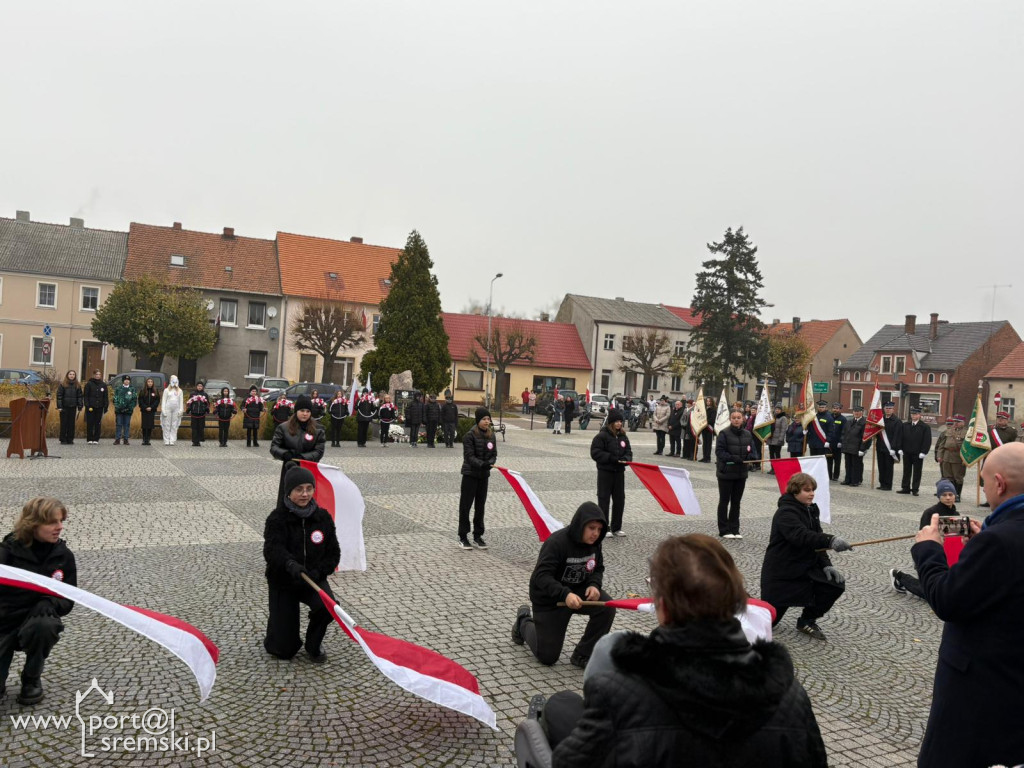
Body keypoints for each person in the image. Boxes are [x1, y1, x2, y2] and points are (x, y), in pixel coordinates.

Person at [523, 534, 827, 768]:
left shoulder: (624, 689)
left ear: (664, 607)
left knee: (561, 705)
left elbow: (572, 763)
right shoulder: (790, 694)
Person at [910, 442, 1024, 768]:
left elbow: (948, 600)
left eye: (985, 481)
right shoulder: (1001, 534)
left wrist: (928, 550)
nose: (983, 488)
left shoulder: (1000, 541)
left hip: (983, 689)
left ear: (999, 484)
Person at [511, 502, 615, 669]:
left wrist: (594, 585)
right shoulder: (557, 542)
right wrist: (564, 594)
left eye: (599, 529)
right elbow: (541, 576)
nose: (596, 533)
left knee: (607, 607)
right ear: (581, 525)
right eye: (591, 528)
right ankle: (523, 622)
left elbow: (597, 567)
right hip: (551, 599)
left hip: (577, 592)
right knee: (547, 656)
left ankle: (583, 654)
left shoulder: (596, 543)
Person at [0, 497, 77, 705]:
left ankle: (31, 678)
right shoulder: (6, 553)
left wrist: (50, 603)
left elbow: (69, 597)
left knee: (46, 624)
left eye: (61, 521)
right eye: (52, 522)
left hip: (36, 621)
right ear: (33, 523)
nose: (59, 527)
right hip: (4, 621)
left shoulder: (63, 556)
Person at [760, 473, 852, 640]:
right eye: (807, 490)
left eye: (813, 490)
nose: (811, 493)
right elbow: (800, 535)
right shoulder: (785, 513)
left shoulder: (810, 509)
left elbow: (817, 540)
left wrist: (826, 564)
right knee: (767, 621)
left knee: (834, 585)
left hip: (806, 566)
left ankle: (807, 620)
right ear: (795, 491)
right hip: (783, 572)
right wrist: (831, 540)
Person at [262, 465, 340, 662]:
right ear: (289, 492)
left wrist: (317, 572)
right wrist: (290, 565)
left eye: (309, 488)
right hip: (284, 580)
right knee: (283, 651)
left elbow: (333, 553)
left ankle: (313, 643)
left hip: (312, 578)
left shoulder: (323, 518)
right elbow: (272, 551)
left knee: (328, 607)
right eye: (299, 489)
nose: (305, 494)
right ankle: (279, 624)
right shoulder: (277, 518)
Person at [890, 479, 960, 599]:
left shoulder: (957, 515)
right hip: (931, 555)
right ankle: (900, 576)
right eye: (944, 495)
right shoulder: (930, 513)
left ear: (955, 495)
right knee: (932, 593)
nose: (948, 498)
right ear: (938, 496)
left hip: (950, 556)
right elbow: (924, 538)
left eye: (950, 494)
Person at [270, 395, 326, 504]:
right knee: (287, 499)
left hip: (308, 469)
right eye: (302, 410)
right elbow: (274, 447)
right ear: (296, 411)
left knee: (306, 500)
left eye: (308, 411)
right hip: (290, 468)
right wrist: (284, 454)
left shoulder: (318, 429)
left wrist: (303, 458)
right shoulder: (283, 427)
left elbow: (319, 451)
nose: (305, 414)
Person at [458, 407, 497, 550]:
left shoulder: (491, 436)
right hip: (470, 475)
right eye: (484, 419)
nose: (487, 422)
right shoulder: (469, 436)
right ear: (478, 420)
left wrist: (490, 463)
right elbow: (469, 456)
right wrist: (482, 464)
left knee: (480, 507)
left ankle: (477, 535)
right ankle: (463, 536)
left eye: (488, 419)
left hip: (483, 476)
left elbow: (494, 453)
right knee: (465, 507)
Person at [590, 409, 633, 537]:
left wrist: (626, 459)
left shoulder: (623, 436)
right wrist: (610, 458)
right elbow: (595, 452)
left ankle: (616, 527)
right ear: (611, 423)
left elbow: (629, 452)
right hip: (605, 472)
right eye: (617, 421)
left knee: (619, 500)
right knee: (604, 500)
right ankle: (604, 528)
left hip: (619, 472)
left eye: (621, 421)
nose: (619, 424)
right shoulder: (602, 436)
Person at [715, 410, 753, 539]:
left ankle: (734, 528)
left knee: (736, 502)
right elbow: (719, 452)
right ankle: (724, 529)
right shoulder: (724, 433)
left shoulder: (748, 434)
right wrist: (733, 458)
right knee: (724, 501)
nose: (736, 420)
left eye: (739, 417)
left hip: (741, 473)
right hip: (726, 472)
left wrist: (751, 457)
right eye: (734, 418)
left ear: (743, 419)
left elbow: (752, 451)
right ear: (730, 419)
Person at [898, 406, 932, 496]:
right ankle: (905, 487)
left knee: (917, 472)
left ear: (919, 415)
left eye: (916, 414)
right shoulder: (905, 425)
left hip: (918, 453)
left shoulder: (924, 427)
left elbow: (927, 440)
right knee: (906, 470)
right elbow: (901, 437)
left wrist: (924, 452)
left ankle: (915, 489)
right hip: (907, 452)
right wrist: (900, 448)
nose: (913, 416)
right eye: (912, 414)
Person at [935, 415, 966, 501]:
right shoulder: (948, 431)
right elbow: (941, 445)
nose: (955, 423)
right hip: (947, 456)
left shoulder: (966, 433)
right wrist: (939, 456)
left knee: (958, 477)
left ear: (963, 423)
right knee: (948, 477)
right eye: (955, 421)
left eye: (958, 422)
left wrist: (966, 459)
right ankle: (950, 494)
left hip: (958, 458)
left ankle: (957, 495)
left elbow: (968, 448)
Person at [875, 401, 903, 491]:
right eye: (886, 408)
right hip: (880, 447)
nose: (888, 410)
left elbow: (897, 436)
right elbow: (876, 432)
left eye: (890, 408)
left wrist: (894, 448)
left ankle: (888, 485)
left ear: (893, 409)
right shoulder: (881, 420)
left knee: (888, 467)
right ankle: (882, 483)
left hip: (890, 448)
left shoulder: (897, 421)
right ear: (884, 409)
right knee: (881, 466)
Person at [840, 405, 867, 486]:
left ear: (862, 412)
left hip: (857, 448)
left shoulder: (864, 423)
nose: (856, 413)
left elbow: (865, 437)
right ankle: (848, 479)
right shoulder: (849, 421)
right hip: (848, 447)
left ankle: (856, 481)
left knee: (856, 465)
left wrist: (862, 449)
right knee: (848, 464)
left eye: (858, 411)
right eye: (855, 411)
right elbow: (844, 434)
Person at [55, 370, 83, 445]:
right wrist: (59, 406)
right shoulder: (63, 384)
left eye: (73, 374)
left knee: (71, 424)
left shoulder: (77, 385)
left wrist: (80, 405)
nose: (72, 375)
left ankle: (70, 439)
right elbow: (59, 396)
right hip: (64, 407)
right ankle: (63, 439)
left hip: (73, 407)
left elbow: (80, 396)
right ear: (67, 375)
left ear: (75, 376)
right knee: (64, 423)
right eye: (70, 374)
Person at [82, 369, 108, 445]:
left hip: (99, 407)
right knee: (90, 423)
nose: (98, 376)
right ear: (93, 375)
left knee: (98, 423)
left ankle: (96, 438)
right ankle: (90, 438)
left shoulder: (103, 385)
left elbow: (105, 396)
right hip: (91, 406)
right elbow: (85, 396)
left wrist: (105, 406)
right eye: (96, 374)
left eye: (99, 374)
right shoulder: (89, 384)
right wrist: (87, 405)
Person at [112, 375, 138, 446]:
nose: (127, 381)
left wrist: (129, 408)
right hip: (119, 411)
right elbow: (115, 399)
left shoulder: (132, 389)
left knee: (126, 425)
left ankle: (126, 439)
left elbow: (134, 400)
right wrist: (119, 407)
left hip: (128, 411)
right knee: (119, 424)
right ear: (123, 381)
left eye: (128, 380)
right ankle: (117, 439)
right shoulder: (118, 389)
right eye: (125, 380)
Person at [806, 401, 831, 467]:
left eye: (823, 407)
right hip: (813, 443)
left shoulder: (829, 417)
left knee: (821, 461)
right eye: (820, 407)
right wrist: (806, 430)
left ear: (826, 408)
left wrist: (828, 441)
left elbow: (831, 431)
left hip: (822, 443)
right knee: (813, 460)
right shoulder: (814, 417)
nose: (821, 408)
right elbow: (810, 427)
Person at [159, 375, 184, 445]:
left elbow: (181, 401)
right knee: (167, 424)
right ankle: (166, 440)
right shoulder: (166, 390)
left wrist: (181, 410)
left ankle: (172, 439)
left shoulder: (180, 391)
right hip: (168, 408)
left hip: (176, 409)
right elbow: (163, 401)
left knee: (174, 425)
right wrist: (163, 410)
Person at [186, 382, 210, 447]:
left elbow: (207, 403)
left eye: (201, 386)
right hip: (194, 413)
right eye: (198, 386)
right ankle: (194, 441)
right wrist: (189, 409)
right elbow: (189, 403)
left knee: (200, 427)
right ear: (196, 387)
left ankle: (199, 440)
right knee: (194, 428)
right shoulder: (193, 394)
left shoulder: (205, 394)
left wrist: (207, 409)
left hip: (202, 413)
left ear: (202, 387)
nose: (199, 387)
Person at [138, 378, 160, 446]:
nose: (150, 383)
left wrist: (151, 407)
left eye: (151, 382)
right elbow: (140, 400)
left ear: (153, 383)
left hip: (151, 411)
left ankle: (148, 439)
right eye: (148, 382)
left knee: (150, 425)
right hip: (144, 411)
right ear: (146, 383)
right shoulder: (143, 391)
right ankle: (144, 439)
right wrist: (145, 407)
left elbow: (157, 400)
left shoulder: (155, 391)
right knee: (144, 425)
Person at [828, 403, 846, 481]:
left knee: (837, 461)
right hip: (829, 443)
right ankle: (829, 475)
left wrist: (841, 441)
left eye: (837, 408)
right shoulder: (829, 417)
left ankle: (836, 476)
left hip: (837, 443)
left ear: (840, 409)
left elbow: (844, 431)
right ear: (832, 409)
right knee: (829, 460)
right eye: (834, 408)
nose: (835, 410)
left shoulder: (843, 419)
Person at [700, 396, 716, 462]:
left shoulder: (713, 410)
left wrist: (705, 422)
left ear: (712, 402)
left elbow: (712, 419)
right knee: (704, 443)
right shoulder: (704, 409)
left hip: (709, 428)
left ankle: (708, 458)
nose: (708, 402)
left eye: (709, 401)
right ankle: (704, 457)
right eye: (707, 401)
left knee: (708, 444)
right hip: (704, 428)